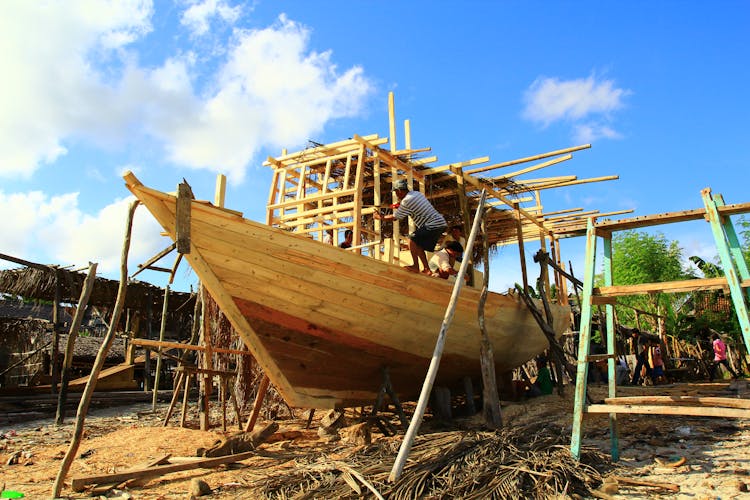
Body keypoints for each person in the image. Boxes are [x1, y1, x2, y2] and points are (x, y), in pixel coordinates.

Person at [373, 179, 447, 274]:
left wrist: (379, 217)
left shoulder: (406, 201)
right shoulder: (416, 194)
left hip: (433, 224)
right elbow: (413, 205)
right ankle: (427, 269)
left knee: (411, 240)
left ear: (399, 191)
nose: (396, 194)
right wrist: (399, 205)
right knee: (418, 245)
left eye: (395, 192)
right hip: (440, 223)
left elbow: (395, 217)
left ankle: (415, 266)